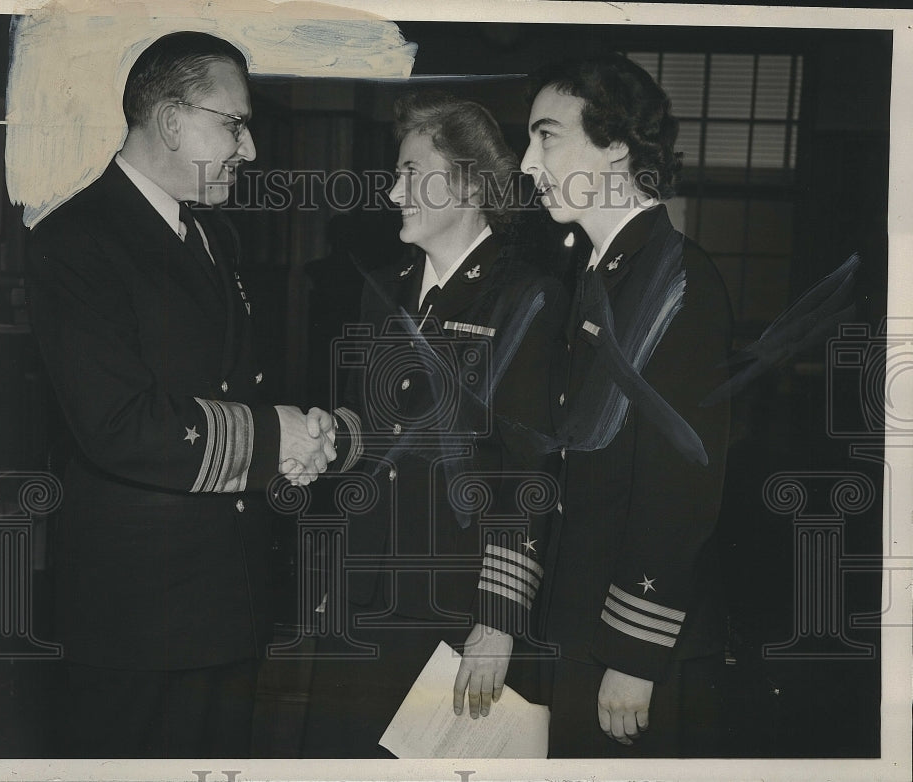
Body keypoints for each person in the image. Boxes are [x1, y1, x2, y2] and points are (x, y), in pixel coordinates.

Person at [26, 31, 335, 758]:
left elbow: (233, 384)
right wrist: (273, 441)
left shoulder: (211, 236)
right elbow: (117, 423)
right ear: (170, 121)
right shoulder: (77, 240)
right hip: (137, 617)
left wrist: (296, 441)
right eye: (233, 124)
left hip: (225, 600)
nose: (249, 149)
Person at [298, 91, 565, 757]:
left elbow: (525, 469)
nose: (394, 192)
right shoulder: (382, 288)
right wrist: (326, 435)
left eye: (412, 173)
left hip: (460, 599)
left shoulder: (526, 297)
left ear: (471, 182)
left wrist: (498, 620)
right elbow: (378, 426)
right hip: (368, 589)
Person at [520, 53, 733, 756]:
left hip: (623, 641)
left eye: (546, 136)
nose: (527, 163)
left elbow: (683, 485)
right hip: (579, 618)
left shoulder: (676, 280)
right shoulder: (599, 272)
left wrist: (634, 655)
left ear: (614, 145)